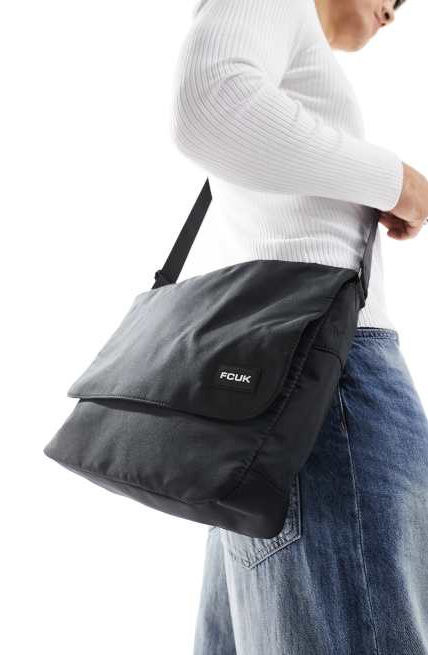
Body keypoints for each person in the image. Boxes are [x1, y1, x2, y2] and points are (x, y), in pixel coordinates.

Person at [169, 0, 428, 653]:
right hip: (326, 384)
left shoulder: (293, 45)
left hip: (276, 388)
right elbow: (210, 103)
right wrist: (394, 180)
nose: (396, 11)